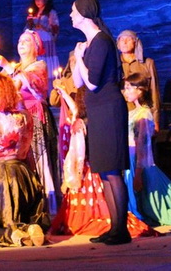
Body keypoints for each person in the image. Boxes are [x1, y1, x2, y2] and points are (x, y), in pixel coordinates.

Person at [49, 83, 157, 237]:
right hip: (98, 163)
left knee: (99, 194)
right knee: (107, 191)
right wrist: (64, 94)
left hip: (86, 168)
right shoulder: (96, 117)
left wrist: (71, 176)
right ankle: (116, 224)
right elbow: (75, 109)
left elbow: (78, 153)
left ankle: (111, 226)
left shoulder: (80, 122)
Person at [70, 0, 131, 245]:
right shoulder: (90, 43)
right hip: (98, 111)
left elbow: (93, 83)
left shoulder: (102, 41)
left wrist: (80, 58)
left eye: (73, 11)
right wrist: (78, 56)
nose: (70, 15)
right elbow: (78, 82)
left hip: (109, 109)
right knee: (104, 171)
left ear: (84, 14)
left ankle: (121, 229)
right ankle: (114, 227)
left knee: (113, 170)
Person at [0, 74, 50, 246]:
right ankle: (30, 226)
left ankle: (10, 233)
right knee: (27, 209)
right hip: (19, 171)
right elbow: (26, 147)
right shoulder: (23, 118)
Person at [0, 30, 60, 214]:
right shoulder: (15, 66)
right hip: (16, 120)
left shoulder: (39, 65)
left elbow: (32, 83)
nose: (21, 44)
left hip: (33, 116)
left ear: (35, 46)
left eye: (26, 41)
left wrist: (7, 67)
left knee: (35, 157)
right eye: (20, 41)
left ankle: (44, 204)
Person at [123, 73, 171, 226]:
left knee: (145, 196)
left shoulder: (144, 113)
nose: (126, 92)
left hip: (138, 160)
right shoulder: (132, 112)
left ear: (140, 90)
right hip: (130, 157)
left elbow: (142, 144)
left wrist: (138, 172)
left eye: (128, 88)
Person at [117, 30, 161, 132]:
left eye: (128, 39)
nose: (124, 42)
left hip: (142, 113)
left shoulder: (147, 63)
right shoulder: (114, 64)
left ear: (135, 42)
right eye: (122, 39)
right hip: (121, 112)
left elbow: (154, 91)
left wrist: (156, 120)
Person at [26, 0, 61, 90]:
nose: (37, 2)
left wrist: (43, 27)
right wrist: (30, 23)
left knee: (46, 62)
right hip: (37, 41)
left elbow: (55, 28)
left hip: (46, 41)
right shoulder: (35, 12)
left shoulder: (50, 12)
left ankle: (50, 89)